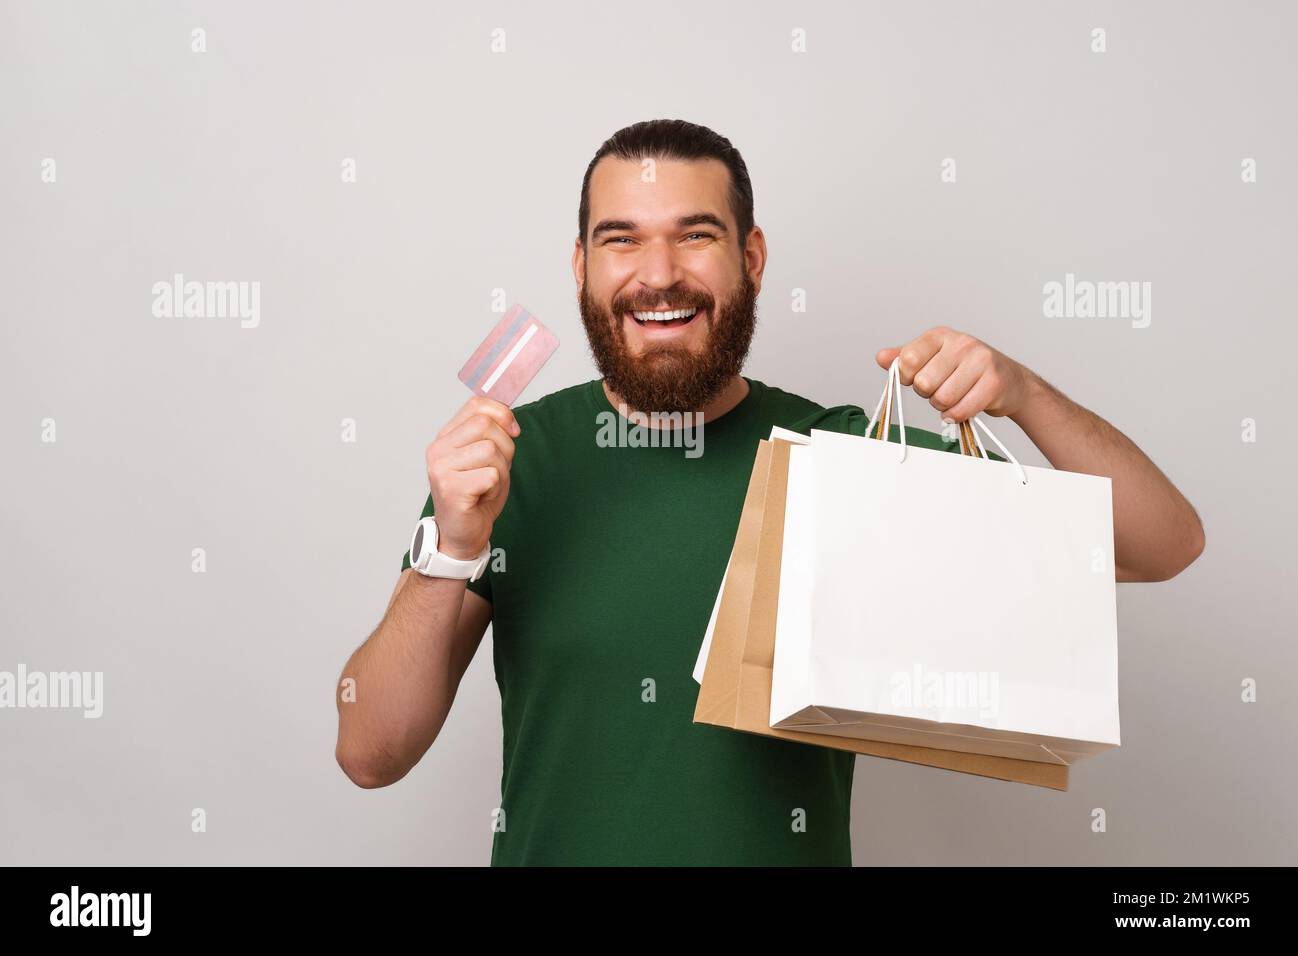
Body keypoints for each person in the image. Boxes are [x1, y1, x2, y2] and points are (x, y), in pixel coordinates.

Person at [334, 119, 1205, 866]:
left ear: (750, 256)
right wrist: (450, 545)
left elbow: (1162, 545)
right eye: (622, 238)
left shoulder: (846, 459)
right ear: (581, 267)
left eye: (697, 234)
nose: (659, 272)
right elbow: (370, 752)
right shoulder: (508, 469)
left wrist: (1024, 393)